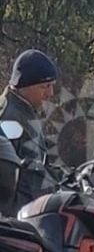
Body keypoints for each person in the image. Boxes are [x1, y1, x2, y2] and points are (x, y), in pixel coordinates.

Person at [0, 49, 58, 216]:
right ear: (24, 85)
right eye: (44, 86)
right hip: (17, 218)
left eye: (51, 86)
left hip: (32, 209)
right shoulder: (8, 118)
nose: (50, 93)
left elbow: (35, 165)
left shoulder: (25, 110)